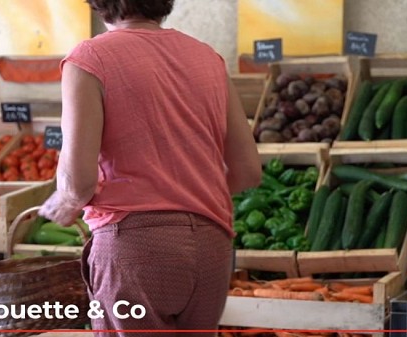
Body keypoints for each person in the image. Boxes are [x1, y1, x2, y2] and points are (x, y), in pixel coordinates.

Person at [37, 0, 262, 335]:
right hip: (212, 246)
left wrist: (61, 204)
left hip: (136, 248)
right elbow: (247, 171)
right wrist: (185, 189)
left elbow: (77, 183)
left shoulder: (89, 59)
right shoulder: (208, 58)